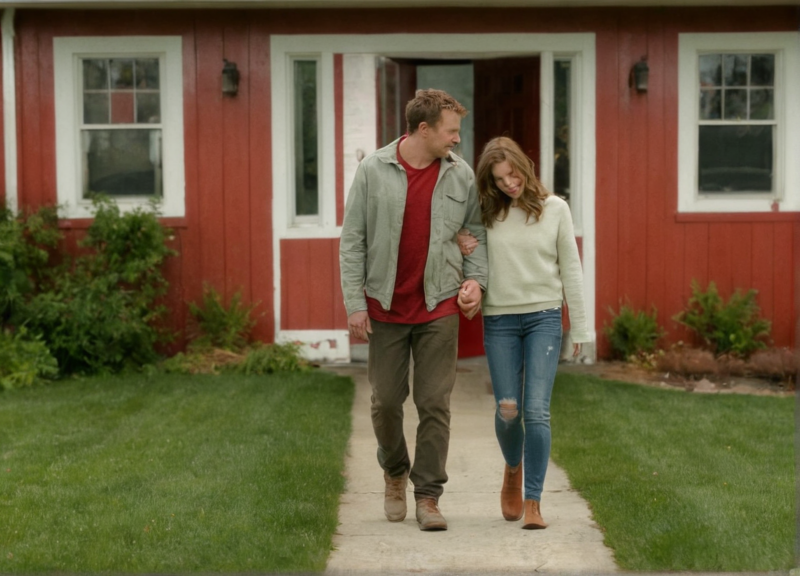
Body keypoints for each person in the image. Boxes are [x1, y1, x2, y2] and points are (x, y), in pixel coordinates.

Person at [339, 89, 487, 531]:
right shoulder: (373, 170)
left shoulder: (460, 175)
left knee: (434, 403)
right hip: (385, 307)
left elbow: (475, 233)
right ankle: (394, 470)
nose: (457, 139)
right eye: (451, 131)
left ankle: (428, 496)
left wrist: (476, 281)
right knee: (385, 402)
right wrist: (355, 303)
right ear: (424, 129)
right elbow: (353, 241)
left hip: (439, 305)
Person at [457, 136, 589, 529]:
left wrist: (580, 327)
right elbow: (462, 245)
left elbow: (571, 270)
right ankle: (512, 467)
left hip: (544, 317)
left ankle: (533, 501)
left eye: (512, 175)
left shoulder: (555, 209)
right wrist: (460, 239)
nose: (509, 184)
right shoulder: (486, 214)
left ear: (525, 168)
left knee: (536, 411)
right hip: (500, 319)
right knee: (508, 410)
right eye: (499, 180)